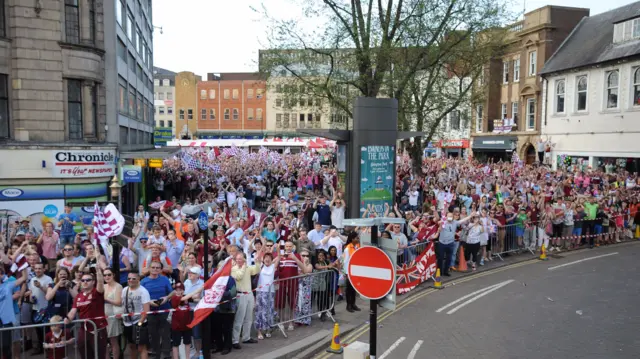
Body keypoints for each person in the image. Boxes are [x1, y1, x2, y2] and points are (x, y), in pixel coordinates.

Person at [64, 250, 107, 359]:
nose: (85, 282)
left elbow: (101, 283)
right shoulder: (78, 296)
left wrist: (98, 272)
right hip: (84, 330)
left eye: (88, 280)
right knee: (84, 354)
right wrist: (68, 318)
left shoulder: (96, 293)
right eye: (83, 280)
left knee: (99, 355)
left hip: (98, 329)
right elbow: (73, 310)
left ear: (93, 282)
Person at [141, 262, 174, 359]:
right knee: (153, 335)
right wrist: (149, 302)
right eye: (153, 267)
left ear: (160, 269)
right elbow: (141, 296)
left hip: (164, 310)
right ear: (149, 268)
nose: (155, 269)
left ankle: (167, 355)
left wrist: (166, 298)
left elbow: (172, 292)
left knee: (166, 334)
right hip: (150, 311)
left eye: (157, 268)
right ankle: (156, 355)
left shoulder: (165, 279)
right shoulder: (143, 281)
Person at [231, 251, 260, 349]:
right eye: (238, 259)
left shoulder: (247, 268)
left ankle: (246, 337)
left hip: (249, 294)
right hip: (240, 295)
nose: (239, 260)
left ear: (244, 259)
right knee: (239, 318)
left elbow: (256, 270)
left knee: (249, 318)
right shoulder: (233, 269)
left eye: (241, 259)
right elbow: (239, 276)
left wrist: (257, 261)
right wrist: (244, 266)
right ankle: (235, 340)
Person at [0, 266, 29, 359]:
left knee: (6, 347)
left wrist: (23, 265)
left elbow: (24, 277)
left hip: (6, 321)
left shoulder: (8, 285)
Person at [121, 272, 151, 359]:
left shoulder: (143, 291)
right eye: (129, 278)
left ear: (138, 279)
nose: (130, 280)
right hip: (127, 322)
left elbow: (146, 310)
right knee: (131, 346)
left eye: (133, 278)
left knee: (142, 347)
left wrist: (140, 323)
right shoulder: (124, 290)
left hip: (139, 322)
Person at [103, 268, 123, 359]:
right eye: (105, 275)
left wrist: (106, 299)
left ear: (113, 275)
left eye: (109, 274)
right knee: (103, 341)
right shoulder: (103, 286)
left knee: (113, 341)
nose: (107, 277)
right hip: (103, 315)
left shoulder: (118, 286)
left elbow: (119, 302)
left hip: (112, 316)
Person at [169, 283, 192, 359]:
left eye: (180, 290)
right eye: (177, 290)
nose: (179, 292)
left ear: (183, 290)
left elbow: (195, 298)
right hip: (176, 326)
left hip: (187, 325)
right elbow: (183, 299)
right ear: (174, 291)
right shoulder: (174, 298)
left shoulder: (186, 297)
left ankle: (187, 357)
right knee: (175, 344)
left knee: (187, 343)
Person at [341, 232, 361, 312]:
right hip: (350, 272)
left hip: (356, 271)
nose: (358, 239)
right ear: (352, 239)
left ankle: (353, 304)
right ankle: (348, 305)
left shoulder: (358, 246)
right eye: (356, 238)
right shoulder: (347, 249)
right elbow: (346, 262)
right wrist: (347, 273)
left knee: (353, 289)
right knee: (349, 289)